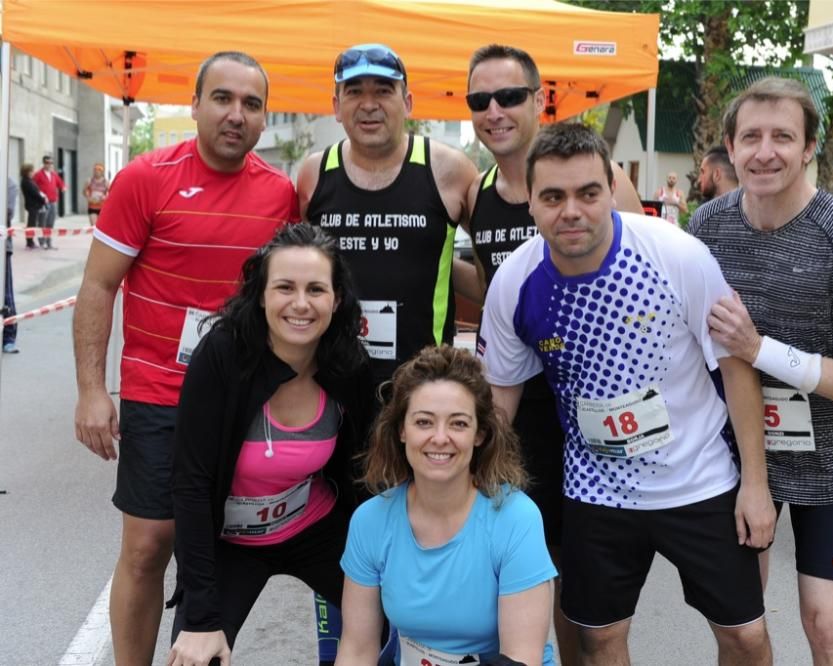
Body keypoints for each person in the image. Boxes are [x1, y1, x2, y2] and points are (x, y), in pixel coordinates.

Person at [479, 123, 775, 666]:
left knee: (746, 638)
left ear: (611, 193)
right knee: (599, 640)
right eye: (553, 197)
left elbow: (736, 370)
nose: (572, 210)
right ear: (531, 205)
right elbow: (500, 399)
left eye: (588, 193)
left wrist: (756, 486)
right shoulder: (514, 282)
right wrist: (474, 496)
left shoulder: (676, 255)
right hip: (598, 491)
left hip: (700, 481)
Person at [72, 51, 299, 665]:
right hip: (158, 392)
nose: (236, 115)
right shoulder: (145, 178)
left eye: (252, 104)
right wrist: (93, 391)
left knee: (222, 550)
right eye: (222, 99)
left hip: (243, 399)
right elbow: (98, 287)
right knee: (148, 546)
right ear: (194, 105)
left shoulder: (280, 195)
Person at [690, 77, 833, 665]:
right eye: (751, 136)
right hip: (735, 458)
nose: (766, 151)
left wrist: (761, 350)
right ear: (729, 148)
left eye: (783, 136)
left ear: (810, 147)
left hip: (830, 462)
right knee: (739, 626)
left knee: (826, 622)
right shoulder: (706, 230)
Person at [465, 44, 644, 665]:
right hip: (524, 408)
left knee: (594, 591)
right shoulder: (476, 190)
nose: (495, 111)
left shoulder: (600, 179)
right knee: (538, 563)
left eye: (509, 96)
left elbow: (640, 278)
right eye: (479, 100)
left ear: (539, 99)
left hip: (599, 404)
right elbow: (487, 285)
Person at [167, 224, 373, 665]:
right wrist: (201, 618)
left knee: (408, 613)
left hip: (314, 528)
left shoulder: (347, 362)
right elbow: (191, 485)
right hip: (230, 543)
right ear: (260, 294)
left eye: (316, 289)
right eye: (285, 287)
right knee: (196, 657)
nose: (301, 304)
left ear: (336, 300)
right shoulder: (220, 355)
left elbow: (365, 472)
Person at [337, 345, 557, 666]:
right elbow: (357, 650)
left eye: (458, 424)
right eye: (424, 422)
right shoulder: (370, 521)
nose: (440, 438)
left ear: (480, 434)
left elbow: (521, 657)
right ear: (401, 430)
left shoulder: (516, 518)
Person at [298, 42, 479, 389]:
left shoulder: (449, 170)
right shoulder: (314, 174)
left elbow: (491, 273)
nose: (369, 105)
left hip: (424, 385)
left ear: (407, 102)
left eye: (383, 91)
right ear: (336, 106)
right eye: (354, 92)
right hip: (332, 383)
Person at [32, 153, 65, 249]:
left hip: (53, 201)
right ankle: (42, 242)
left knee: (51, 223)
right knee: (42, 222)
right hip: (43, 203)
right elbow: (33, 187)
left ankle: (49, 242)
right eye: (47, 163)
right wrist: (39, 195)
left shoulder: (54, 174)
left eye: (51, 163)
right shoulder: (38, 174)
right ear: (44, 163)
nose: (49, 165)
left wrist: (63, 187)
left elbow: (61, 184)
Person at [3, 176, 17, 353]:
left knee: (6, 293)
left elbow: (6, 212)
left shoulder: (8, 184)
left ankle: (9, 335)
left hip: (2, 247)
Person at [19, 163, 47, 250]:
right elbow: (35, 193)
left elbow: (37, 191)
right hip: (32, 205)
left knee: (32, 223)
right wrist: (43, 199)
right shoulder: (26, 181)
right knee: (31, 224)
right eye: (31, 171)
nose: (33, 172)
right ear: (26, 172)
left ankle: (30, 241)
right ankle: (29, 242)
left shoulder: (29, 180)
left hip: (34, 205)